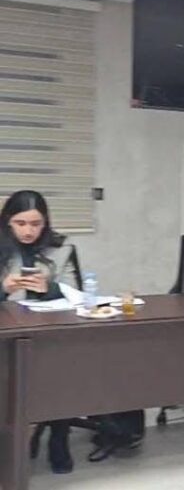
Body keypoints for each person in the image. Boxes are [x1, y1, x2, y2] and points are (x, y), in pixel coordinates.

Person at [0, 191, 79, 473]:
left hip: (49, 333)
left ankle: (59, 437)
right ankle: (16, 441)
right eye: (20, 223)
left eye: (36, 224)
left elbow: (77, 295)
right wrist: (3, 289)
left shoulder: (61, 248)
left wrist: (51, 288)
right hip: (7, 337)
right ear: (7, 221)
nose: (28, 231)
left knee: (62, 372)